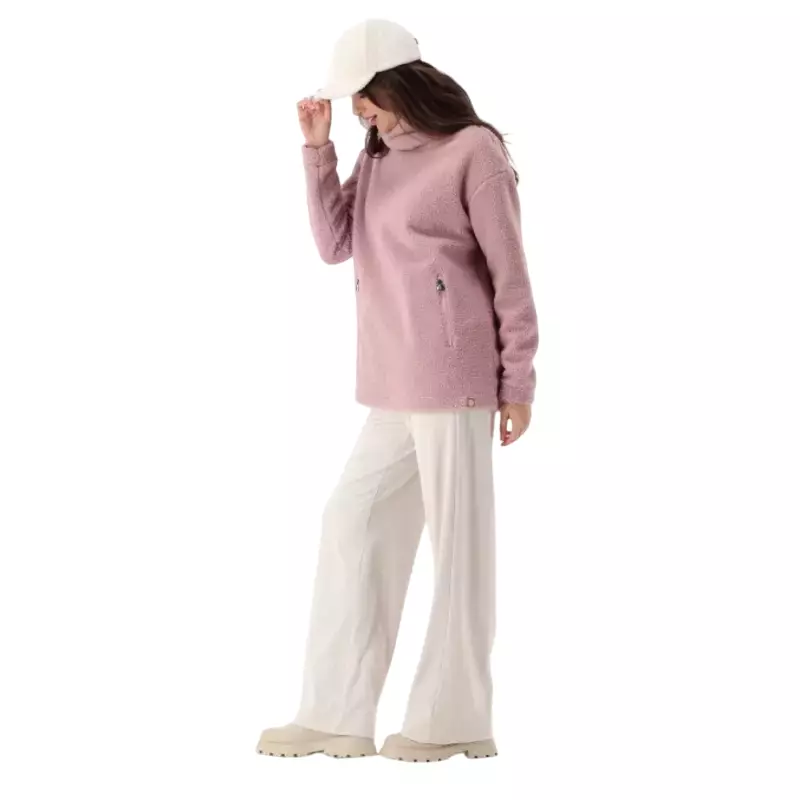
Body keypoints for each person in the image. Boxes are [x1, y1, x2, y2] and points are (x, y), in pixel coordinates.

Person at [256, 18, 539, 763]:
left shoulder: (474, 151)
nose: (357, 109)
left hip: (457, 384)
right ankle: (336, 714)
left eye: (362, 96)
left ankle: (454, 719)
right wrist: (318, 151)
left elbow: (510, 275)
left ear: (397, 84)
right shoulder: (377, 155)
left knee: (458, 553)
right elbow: (334, 243)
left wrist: (518, 381)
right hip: (392, 383)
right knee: (350, 523)